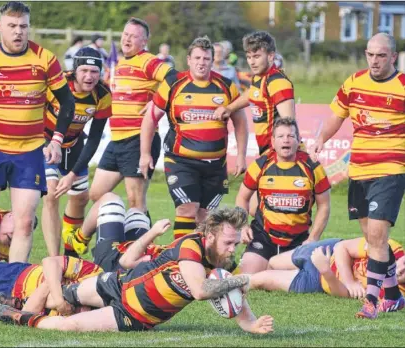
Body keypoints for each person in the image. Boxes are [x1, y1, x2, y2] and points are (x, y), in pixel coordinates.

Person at [0, 206, 274, 334]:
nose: (232, 249)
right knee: (61, 295)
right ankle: (21, 304)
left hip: (135, 313)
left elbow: (228, 290)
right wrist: (246, 278)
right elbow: (201, 291)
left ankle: (19, 316)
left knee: (70, 325)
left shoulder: (222, 261)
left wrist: (249, 322)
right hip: (120, 282)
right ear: (210, 235)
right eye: (228, 242)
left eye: (235, 243)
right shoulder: (192, 247)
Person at [0, 1, 75, 263]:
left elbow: (67, 102)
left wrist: (56, 141)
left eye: (23, 26)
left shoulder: (44, 59)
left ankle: (12, 285)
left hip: (29, 153)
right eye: (12, 26)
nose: (18, 32)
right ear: (0, 27)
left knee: (25, 222)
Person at [308, 33, 405, 319]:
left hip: (390, 170)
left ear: (393, 57)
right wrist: (321, 139)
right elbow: (336, 116)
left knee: (376, 235)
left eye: (381, 56)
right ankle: (395, 296)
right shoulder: (354, 82)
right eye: (371, 55)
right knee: (373, 238)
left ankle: (372, 302)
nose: (375, 61)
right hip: (359, 171)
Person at [140, 36, 248, 239]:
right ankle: (182, 259)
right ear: (188, 60)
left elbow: (241, 122)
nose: (201, 63)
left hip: (216, 165)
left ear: (212, 60)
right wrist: (144, 154)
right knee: (187, 209)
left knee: (205, 217)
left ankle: (200, 262)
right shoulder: (173, 83)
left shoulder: (226, 85)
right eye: (197, 58)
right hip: (181, 161)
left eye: (206, 58)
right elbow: (150, 118)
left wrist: (241, 156)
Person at [89, 17, 175, 221]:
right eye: (125, 34)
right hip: (117, 140)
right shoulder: (119, 63)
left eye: (133, 37)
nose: (127, 39)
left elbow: (174, 77)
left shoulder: (148, 61)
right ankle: (117, 227)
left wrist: (156, 100)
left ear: (144, 42)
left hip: (138, 139)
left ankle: (142, 247)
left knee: (136, 202)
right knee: (96, 194)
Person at [41, 47, 112, 257]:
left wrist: (72, 175)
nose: (89, 76)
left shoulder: (103, 95)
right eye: (84, 71)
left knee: (80, 198)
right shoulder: (58, 84)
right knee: (52, 194)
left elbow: (95, 138)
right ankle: (54, 258)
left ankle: (70, 255)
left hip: (74, 143)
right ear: (75, 70)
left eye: (94, 71)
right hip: (45, 141)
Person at [236, 118, 331, 274]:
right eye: (280, 136)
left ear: (298, 140)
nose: (285, 140)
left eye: (290, 136)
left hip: (298, 240)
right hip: (263, 237)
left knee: (301, 278)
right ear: (273, 141)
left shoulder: (313, 167)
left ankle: (274, 265)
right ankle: (263, 262)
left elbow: (324, 205)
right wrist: (243, 225)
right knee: (247, 277)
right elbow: (242, 198)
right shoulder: (260, 165)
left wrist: (313, 238)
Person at [249, 237, 405, 313]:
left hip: (317, 280)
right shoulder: (390, 248)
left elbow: (344, 294)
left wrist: (326, 271)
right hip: (326, 249)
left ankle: (225, 283)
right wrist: (349, 281)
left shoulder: (391, 296)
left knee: (259, 280)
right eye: (404, 263)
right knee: (273, 262)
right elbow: (342, 247)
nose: (400, 269)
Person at [214, 31, 295, 156]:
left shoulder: (278, 82)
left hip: (280, 153)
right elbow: (253, 93)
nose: (251, 62)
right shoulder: (259, 77)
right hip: (267, 151)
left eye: (256, 56)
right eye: (249, 57)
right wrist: (230, 108)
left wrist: (280, 158)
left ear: (270, 56)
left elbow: (289, 125)